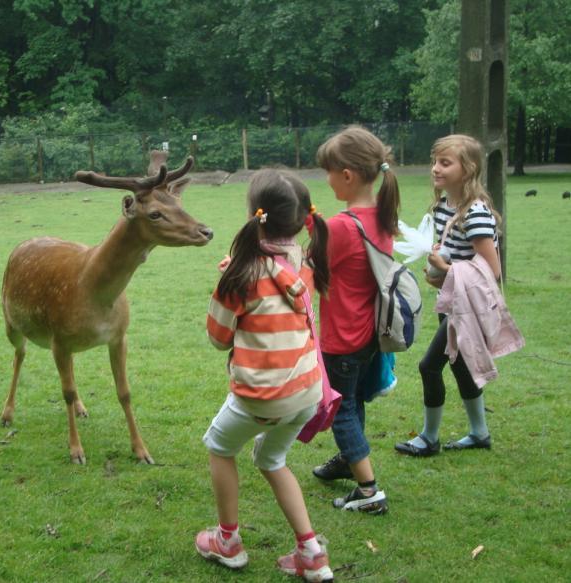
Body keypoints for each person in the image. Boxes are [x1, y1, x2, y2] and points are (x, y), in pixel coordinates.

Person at [196, 169, 334, 581]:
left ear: (255, 215)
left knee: (220, 447)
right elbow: (276, 277)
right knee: (271, 457)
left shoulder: (240, 275)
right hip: (306, 393)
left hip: (262, 396)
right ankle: (311, 553)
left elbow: (219, 339)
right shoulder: (307, 261)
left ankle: (228, 541)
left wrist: (229, 275)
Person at [310, 126, 400, 515]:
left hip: (341, 338)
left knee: (341, 410)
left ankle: (368, 491)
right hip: (366, 337)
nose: (325, 179)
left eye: (328, 171)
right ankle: (349, 460)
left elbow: (316, 269)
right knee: (353, 402)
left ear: (346, 175)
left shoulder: (343, 227)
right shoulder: (379, 217)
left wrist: (313, 235)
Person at [395, 134, 503, 457]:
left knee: (429, 366)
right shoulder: (444, 206)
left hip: (467, 307)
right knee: (459, 366)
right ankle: (479, 433)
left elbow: (492, 270)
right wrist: (437, 271)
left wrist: (446, 266)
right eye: (434, 162)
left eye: (445, 163)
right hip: (450, 301)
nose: (435, 169)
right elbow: (450, 254)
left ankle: (428, 438)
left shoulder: (476, 213)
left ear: (467, 169)